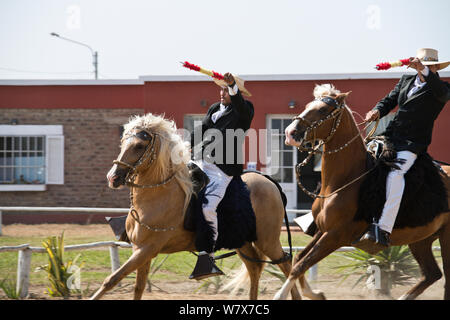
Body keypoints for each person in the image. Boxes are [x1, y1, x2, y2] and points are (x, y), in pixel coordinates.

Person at [355, 48, 450, 248]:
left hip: (412, 143)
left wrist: (424, 70)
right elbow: (389, 100)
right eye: (423, 65)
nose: (423, 68)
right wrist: (377, 111)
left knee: (395, 175)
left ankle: (384, 228)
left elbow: (442, 95)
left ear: (434, 67)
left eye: (429, 66)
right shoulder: (406, 81)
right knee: (362, 162)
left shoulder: (441, 88)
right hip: (391, 135)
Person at [189, 72, 254, 280]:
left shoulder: (244, 111)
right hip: (200, 161)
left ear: (236, 92)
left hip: (222, 170)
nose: (221, 93)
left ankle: (207, 257)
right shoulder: (214, 109)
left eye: (226, 90)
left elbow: (241, 105)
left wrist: (233, 85)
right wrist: (184, 147)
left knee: (208, 208)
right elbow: (200, 132)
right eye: (221, 89)